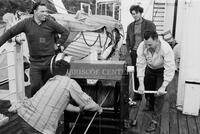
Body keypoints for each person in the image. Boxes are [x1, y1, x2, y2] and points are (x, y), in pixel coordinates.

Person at [7, 55, 103, 134]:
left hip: (25, 118)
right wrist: (98, 108)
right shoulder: (70, 82)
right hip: (41, 127)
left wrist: (77, 109)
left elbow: (61, 103)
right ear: (67, 72)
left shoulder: (51, 81)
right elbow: (86, 103)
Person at [0, 2, 70, 97]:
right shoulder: (26, 23)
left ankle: (47, 109)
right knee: (35, 86)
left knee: (49, 88)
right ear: (35, 12)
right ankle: (34, 109)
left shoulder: (50, 22)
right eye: (42, 11)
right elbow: (10, 32)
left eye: (46, 11)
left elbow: (65, 32)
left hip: (49, 61)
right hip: (35, 62)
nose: (46, 13)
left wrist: (58, 44)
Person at [136, 30, 175, 132]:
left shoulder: (166, 49)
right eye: (146, 44)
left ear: (157, 40)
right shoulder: (142, 46)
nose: (147, 46)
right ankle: (149, 103)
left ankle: (154, 120)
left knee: (159, 95)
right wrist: (141, 83)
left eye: (150, 44)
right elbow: (140, 64)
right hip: (149, 68)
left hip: (162, 70)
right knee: (148, 90)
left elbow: (170, 68)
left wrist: (163, 86)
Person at [126, 5, 156, 102]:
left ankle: (148, 97)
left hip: (146, 52)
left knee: (148, 74)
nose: (135, 16)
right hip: (135, 52)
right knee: (136, 73)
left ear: (141, 13)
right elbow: (127, 39)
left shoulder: (149, 24)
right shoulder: (130, 26)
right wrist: (129, 49)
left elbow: (154, 38)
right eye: (133, 14)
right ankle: (137, 94)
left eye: (137, 13)